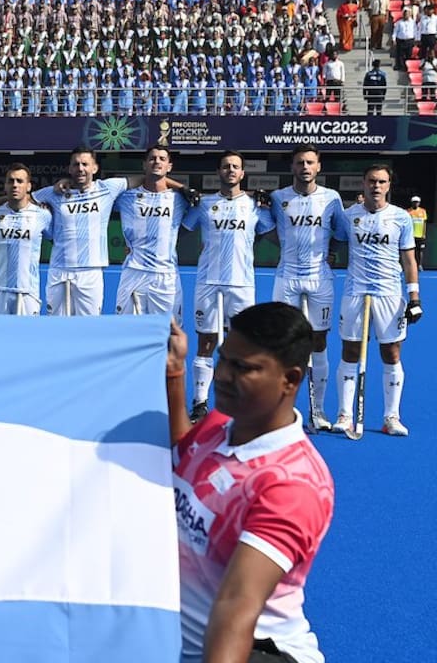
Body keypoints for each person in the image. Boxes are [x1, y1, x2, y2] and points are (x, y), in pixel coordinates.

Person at [165, 303, 334, 663]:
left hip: (257, 652)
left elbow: (236, 604)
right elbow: (184, 447)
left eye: (243, 368)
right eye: (223, 360)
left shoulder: (291, 484)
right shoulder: (219, 424)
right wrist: (175, 372)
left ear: (290, 380)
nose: (223, 376)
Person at [182, 151, 274, 422]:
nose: (230, 170)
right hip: (208, 281)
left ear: (242, 173)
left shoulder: (256, 205)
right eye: (226, 166)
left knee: (243, 342)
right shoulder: (204, 204)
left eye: (235, 167)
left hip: (241, 283)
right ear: (218, 172)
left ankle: (241, 399)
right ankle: (200, 403)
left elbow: (275, 235)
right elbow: (180, 228)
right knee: (206, 341)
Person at [334, 165, 421, 436]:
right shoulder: (349, 216)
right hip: (355, 292)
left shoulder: (401, 217)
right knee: (350, 351)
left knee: (391, 353)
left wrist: (414, 297)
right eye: (372, 181)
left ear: (389, 185)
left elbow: (409, 260)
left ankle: (391, 417)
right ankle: (345, 415)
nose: (376, 186)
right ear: (364, 183)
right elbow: (333, 242)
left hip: (389, 293)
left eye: (382, 182)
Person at [269, 144, 347, 431]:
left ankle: (319, 410)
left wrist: (330, 252)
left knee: (318, 341)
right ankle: (280, 409)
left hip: (319, 278)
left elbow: (341, 232)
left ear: (318, 167)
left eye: (310, 162)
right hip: (287, 277)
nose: (305, 167)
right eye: (300, 162)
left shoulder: (331, 198)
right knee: (283, 342)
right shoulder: (278, 198)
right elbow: (267, 229)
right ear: (292, 166)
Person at [29, 148, 130, 316]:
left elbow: (146, 179)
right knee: (56, 326)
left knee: (88, 327)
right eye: (76, 164)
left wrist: (177, 187)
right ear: (70, 169)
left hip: (90, 272)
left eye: (85, 164)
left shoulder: (107, 188)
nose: (80, 168)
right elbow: (22, 200)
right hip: (59, 269)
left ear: (95, 168)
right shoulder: (55, 192)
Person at [115, 145, 189, 320]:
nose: (157, 162)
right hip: (134, 272)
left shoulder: (180, 199)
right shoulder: (126, 197)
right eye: (152, 158)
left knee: (169, 331)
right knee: (127, 329)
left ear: (169, 166)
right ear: (144, 164)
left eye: (162, 159)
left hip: (166, 275)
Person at [0, 164, 51, 315]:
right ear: (5, 186)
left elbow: (54, 238)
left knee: (27, 332)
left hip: (28, 291)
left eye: (20, 181)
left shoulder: (43, 215)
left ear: (29, 186)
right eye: (11, 181)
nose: (15, 185)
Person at [407, 196, 427, 270]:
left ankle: (419, 265)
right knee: (411, 251)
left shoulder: (423, 211)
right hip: (411, 235)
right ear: (412, 203)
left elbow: (424, 223)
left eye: (417, 202)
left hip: (420, 235)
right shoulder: (408, 211)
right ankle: (411, 265)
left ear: (419, 203)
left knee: (420, 251)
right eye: (414, 202)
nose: (416, 204)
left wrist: (423, 234)